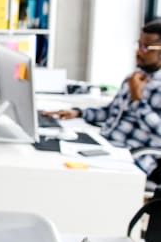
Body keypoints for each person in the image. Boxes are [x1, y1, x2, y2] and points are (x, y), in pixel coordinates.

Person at [43, 19, 161, 183]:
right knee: (51, 154)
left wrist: (137, 99)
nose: (139, 52)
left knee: (66, 176)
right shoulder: (135, 77)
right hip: (106, 146)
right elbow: (111, 111)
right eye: (138, 45)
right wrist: (78, 112)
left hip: (133, 159)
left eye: (146, 47)